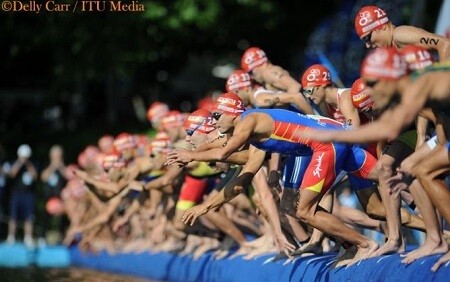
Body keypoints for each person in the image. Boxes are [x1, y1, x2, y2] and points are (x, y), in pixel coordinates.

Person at [168, 92, 381, 266]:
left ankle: (362, 243)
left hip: (326, 143)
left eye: (216, 116)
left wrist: (191, 155)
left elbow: (222, 154)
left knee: (303, 209)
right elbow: (238, 178)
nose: (214, 123)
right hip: (317, 145)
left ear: (231, 114)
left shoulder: (248, 122)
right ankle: (357, 243)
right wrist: (205, 206)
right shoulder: (251, 136)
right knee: (387, 183)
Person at [354, 5, 450, 60]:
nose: (367, 45)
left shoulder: (399, 35)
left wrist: (443, 79)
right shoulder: (393, 49)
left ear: (382, 27)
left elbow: (445, 43)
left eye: (367, 38)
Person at [6, 144, 38, 248]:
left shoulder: (32, 163)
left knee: (29, 217)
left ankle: (28, 238)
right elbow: (12, 174)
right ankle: (11, 237)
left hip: (29, 195)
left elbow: (35, 176)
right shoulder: (13, 162)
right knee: (13, 216)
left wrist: (27, 163)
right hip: (16, 194)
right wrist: (20, 162)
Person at [40, 145, 68, 245]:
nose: (57, 157)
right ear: (51, 156)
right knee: (45, 218)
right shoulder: (47, 164)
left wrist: (60, 166)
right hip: (48, 197)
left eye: (59, 155)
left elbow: (68, 176)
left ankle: (62, 238)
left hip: (60, 197)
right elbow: (43, 177)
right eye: (55, 155)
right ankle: (43, 238)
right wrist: (53, 166)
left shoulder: (63, 166)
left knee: (62, 219)